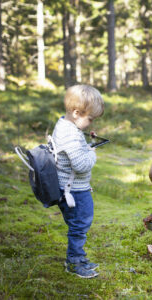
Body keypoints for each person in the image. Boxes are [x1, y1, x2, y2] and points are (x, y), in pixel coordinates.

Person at [52, 84, 104, 278]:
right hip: (74, 191)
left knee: (79, 225)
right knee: (79, 226)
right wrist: (92, 153)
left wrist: (85, 145)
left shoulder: (65, 125)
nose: (91, 123)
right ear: (76, 113)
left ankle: (79, 257)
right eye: (90, 118)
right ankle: (74, 262)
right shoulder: (70, 132)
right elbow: (81, 164)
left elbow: (72, 151)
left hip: (73, 188)